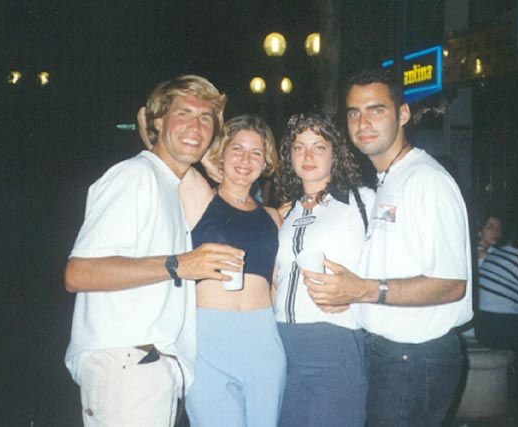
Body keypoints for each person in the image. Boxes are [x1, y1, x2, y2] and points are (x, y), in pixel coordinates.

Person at [64, 75, 245, 427]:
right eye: (184, 114)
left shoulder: (170, 186)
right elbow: (78, 273)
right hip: (127, 366)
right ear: (158, 121)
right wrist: (178, 264)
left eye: (205, 118)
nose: (195, 127)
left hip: (149, 369)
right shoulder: (135, 176)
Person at [301, 69, 473, 427]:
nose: (362, 122)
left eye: (376, 110)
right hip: (390, 354)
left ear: (403, 114)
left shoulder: (426, 180)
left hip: (413, 357)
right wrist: (351, 294)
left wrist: (364, 290)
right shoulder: (389, 179)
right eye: (354, 112)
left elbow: (451, 284)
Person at [180, 115, 286, 427]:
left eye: (256, 153)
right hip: (208, 342)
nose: (245, 160)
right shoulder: (201, 199)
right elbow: (163, 144)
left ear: (266, 162)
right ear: (222, 153)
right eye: (237, 149)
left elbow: (278, 282)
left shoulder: (274, 217)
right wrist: (206, 158)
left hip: (263, 341)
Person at [273, 113, 373, 427]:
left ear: (335, 153)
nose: (307, 156)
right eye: (299, 147)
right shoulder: (286, 210)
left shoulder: (361, 201)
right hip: (280, 342)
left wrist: (357, 295)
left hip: (333, 339)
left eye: (318, 147)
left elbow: (391, 262)